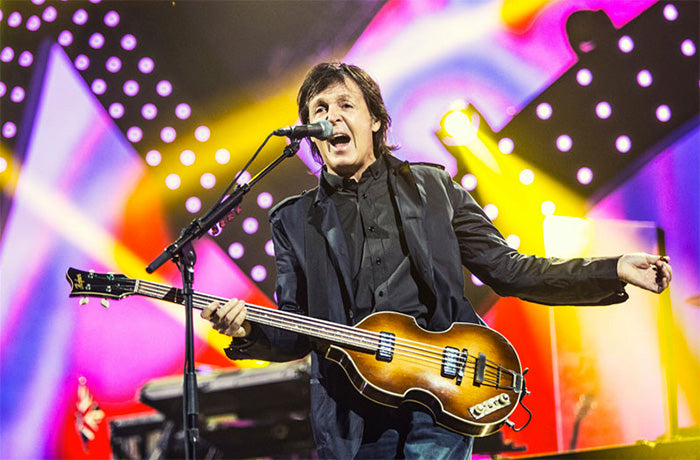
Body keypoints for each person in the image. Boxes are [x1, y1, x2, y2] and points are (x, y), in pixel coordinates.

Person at [201, 62, 672, 460]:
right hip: (350, 421)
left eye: (345, 104)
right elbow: (296, 329)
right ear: (309, 132)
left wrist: (611, 268)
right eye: (319, 110)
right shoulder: (293, 220)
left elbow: (510, 270)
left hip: (441, 400)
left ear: (376, 121)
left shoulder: (433, 189)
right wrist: (246, 331)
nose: (331, 117)